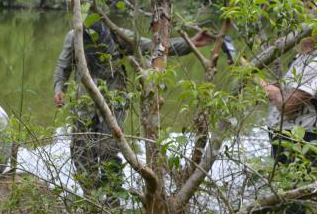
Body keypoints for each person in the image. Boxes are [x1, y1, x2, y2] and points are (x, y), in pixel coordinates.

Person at [52, 20, 213, 202]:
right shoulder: (74, 36)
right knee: (81, 150)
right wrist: (59, 89)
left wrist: (191, 43)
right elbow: (62, 66)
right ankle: (92, 199)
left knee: (108, 150)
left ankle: (113, 200)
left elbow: (154, 48)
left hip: (114, 101)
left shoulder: (118, 34)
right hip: (84, 102)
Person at [257, 34, 317, 163]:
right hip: (283, 135)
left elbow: (288, 106)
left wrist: (260, 82)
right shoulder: (301, 57)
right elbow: (290, 89)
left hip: (299, 138)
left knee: (294, 180)